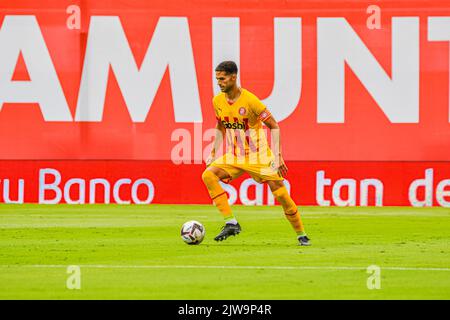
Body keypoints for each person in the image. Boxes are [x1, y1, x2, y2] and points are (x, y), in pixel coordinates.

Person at [201, 61, 310, 246]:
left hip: (259, 156)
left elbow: (274, 125)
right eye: (217, 79)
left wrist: (277, 155)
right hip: (234, 156)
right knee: (208, 175)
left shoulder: (251, 101)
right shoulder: (217, 101)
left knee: (281, 195)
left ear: (233, 77)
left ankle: (301, 234)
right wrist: (213, 151)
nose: (219, 83)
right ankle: (231, 222)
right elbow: (220, 125)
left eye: (222, 78)